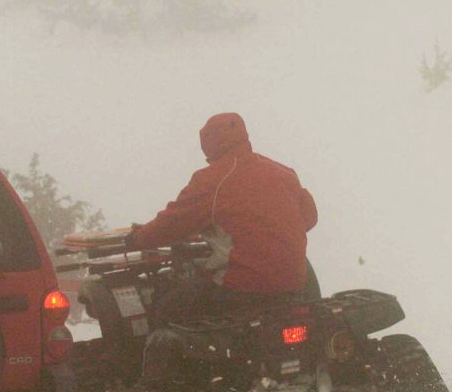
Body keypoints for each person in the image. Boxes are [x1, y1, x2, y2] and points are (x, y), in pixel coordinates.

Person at [127, 112, 317, 323]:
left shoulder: (211, 179)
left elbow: (173, 222)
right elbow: (309, 218)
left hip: (242, 289)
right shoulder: (283, 172)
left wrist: (138, 238)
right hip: (294, 287)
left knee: (168, 308)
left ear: (209, 144)